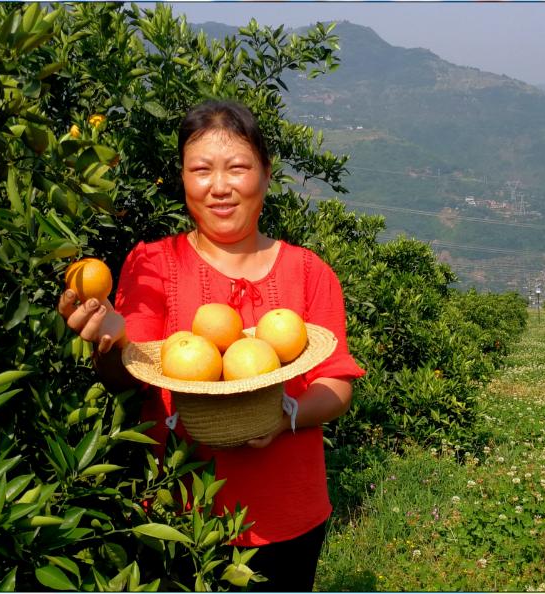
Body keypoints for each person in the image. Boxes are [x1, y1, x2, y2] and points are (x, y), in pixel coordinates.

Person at [58, 99, 365, 591]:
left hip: (289, 515)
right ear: (183, 179)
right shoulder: (153, 264)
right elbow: (128, 374)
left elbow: (337, 386)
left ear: (265, 175)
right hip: (178, 516)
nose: (219, 187)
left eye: (237, 168)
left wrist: (283, 416)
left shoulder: (309, 273)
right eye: (201, 170)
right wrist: (108, 339)